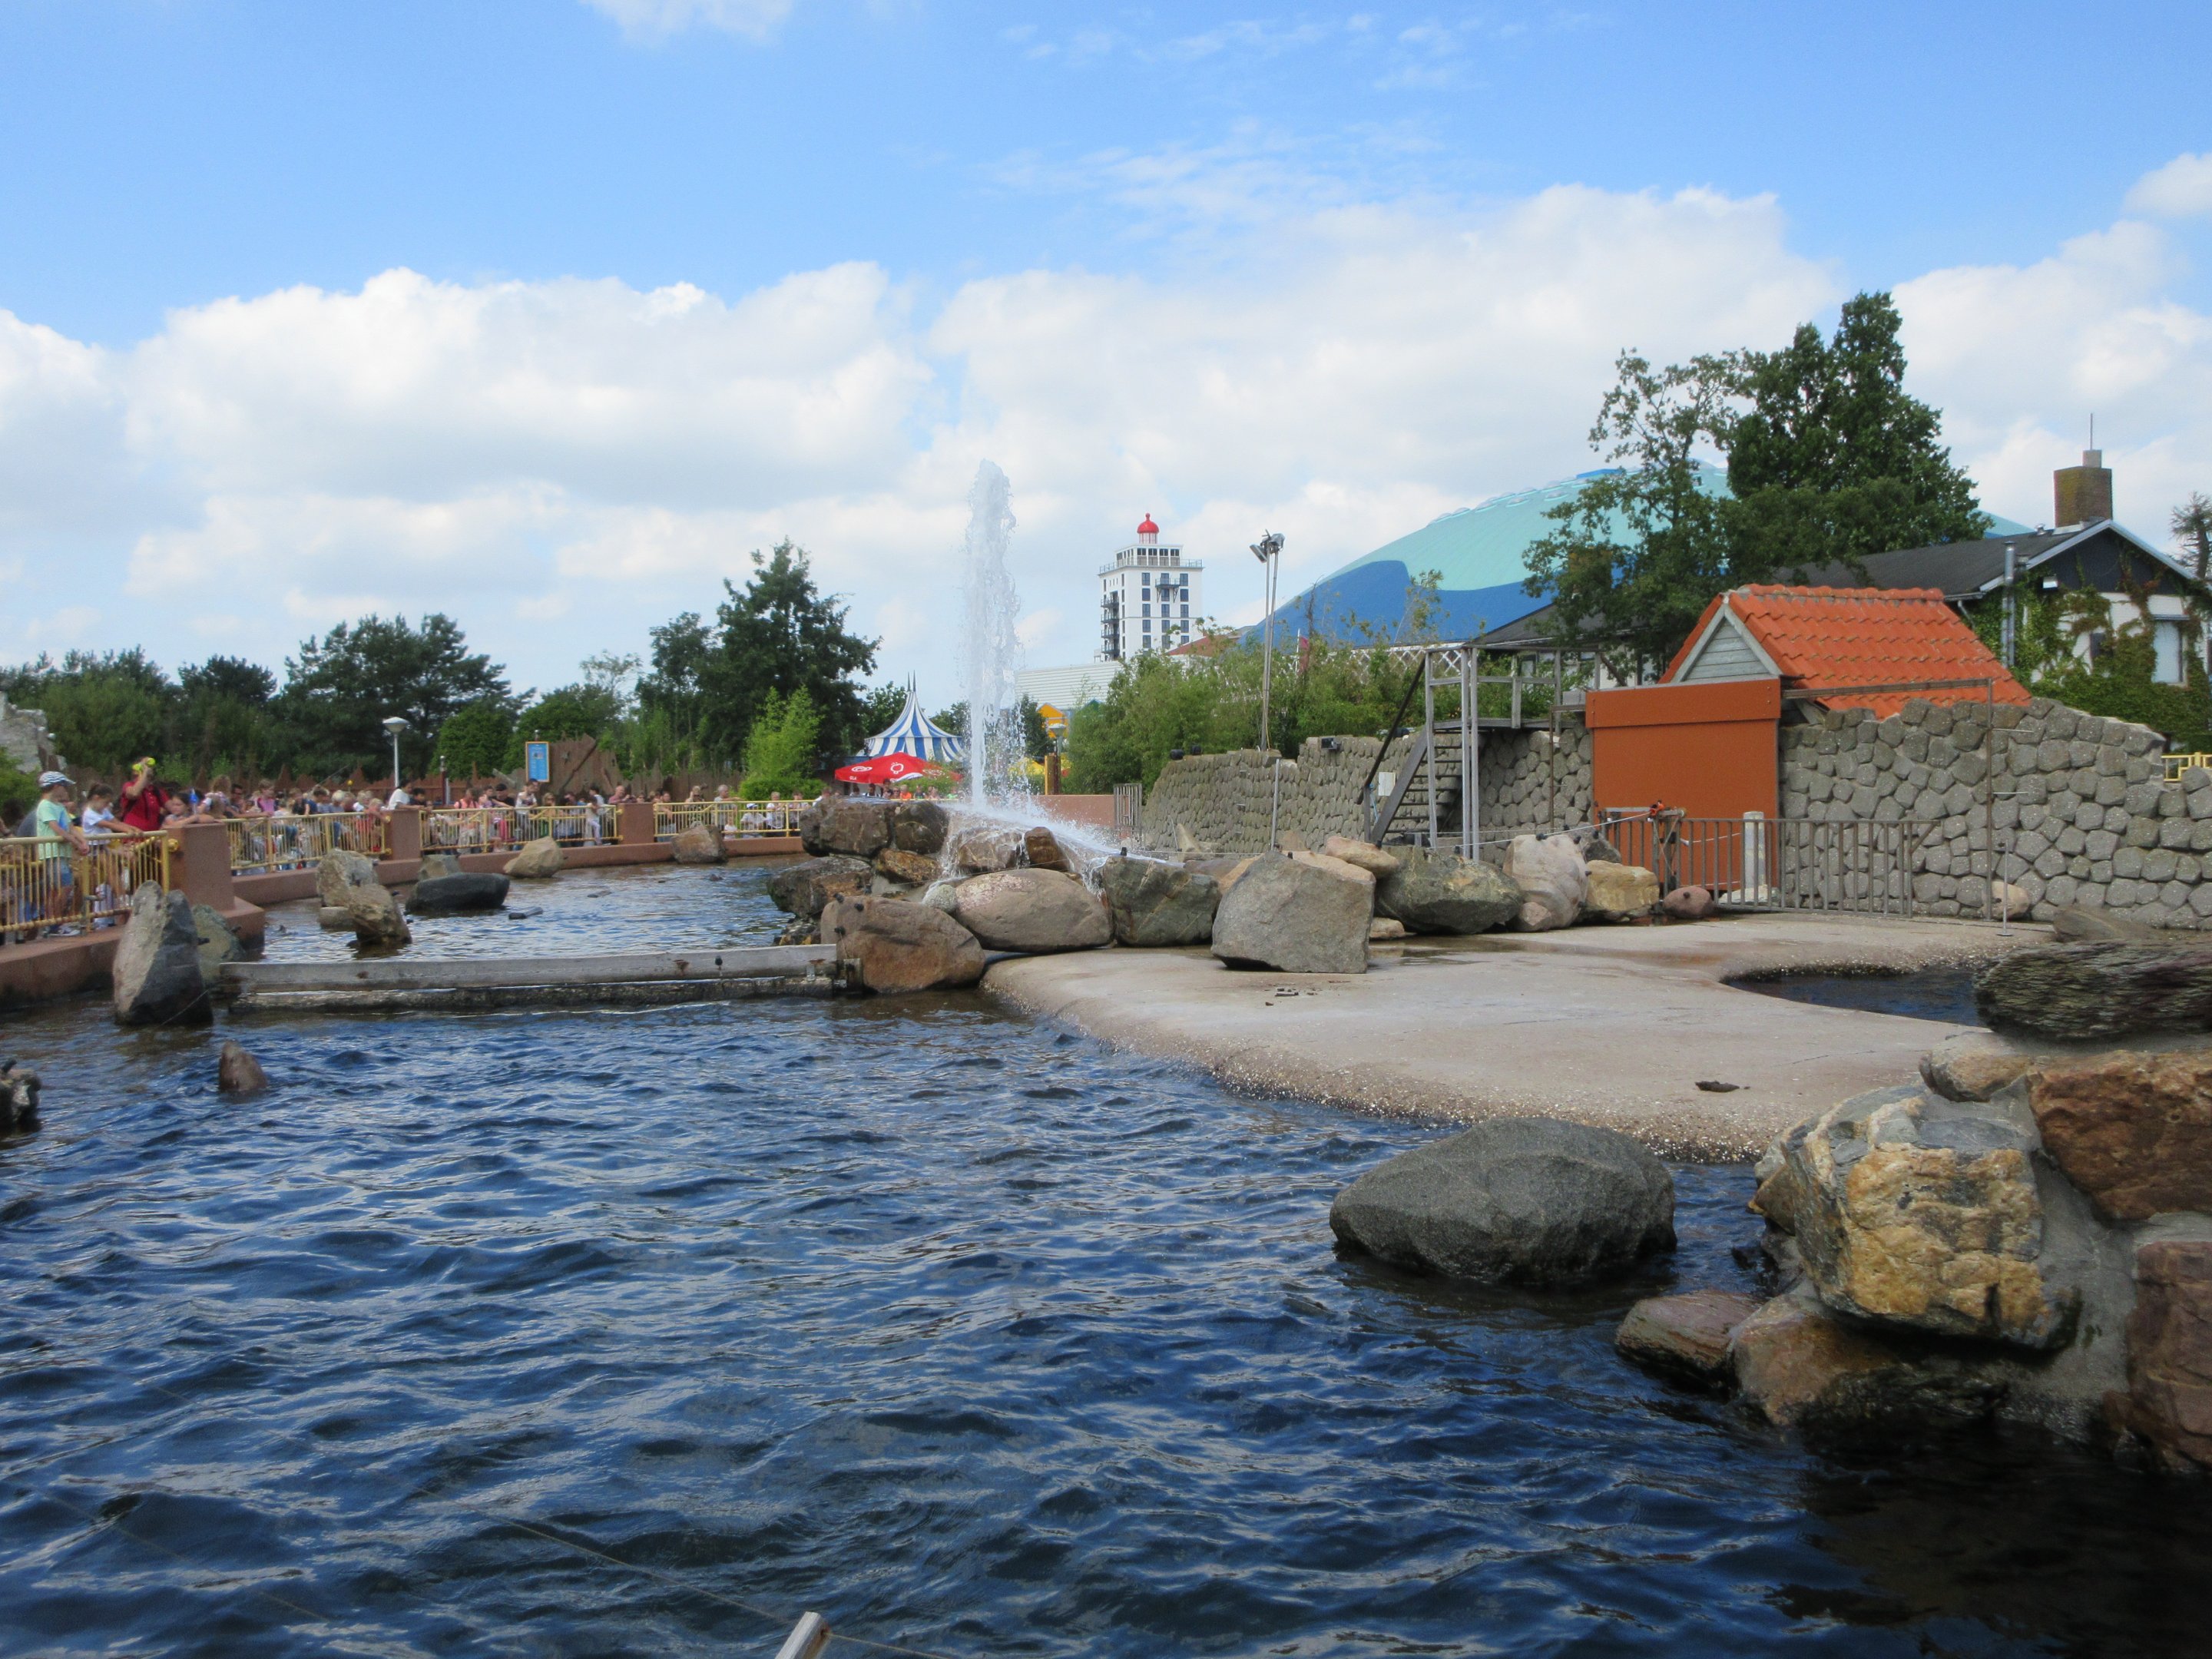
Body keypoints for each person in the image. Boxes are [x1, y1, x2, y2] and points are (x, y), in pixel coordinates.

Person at [115, 759, 168, 834]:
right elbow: (134, 794)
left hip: (153, 836)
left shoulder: (156, 790)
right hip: (134, 835)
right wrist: (144, 773)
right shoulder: (129, 785)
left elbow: (172, 807)